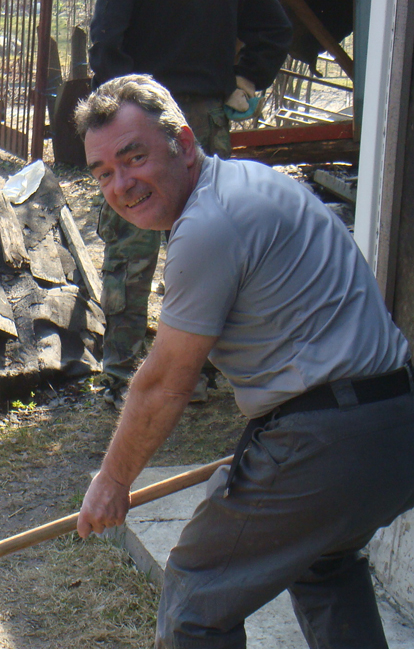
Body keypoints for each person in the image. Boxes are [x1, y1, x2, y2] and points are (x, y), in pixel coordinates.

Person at [73, 75, 414, 649]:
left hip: (330, 442)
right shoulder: (254, 182)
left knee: (196, 600)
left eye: (134, 158)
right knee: (323, 559)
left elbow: (164, 382)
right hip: (403, 427)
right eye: (103, 172)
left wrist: (112, 480)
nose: (121, 184)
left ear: (182, 142)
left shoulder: (207, 227)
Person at [88, 0, 292, 406]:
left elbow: (106, 39)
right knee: (210, 243)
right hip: (200, 113)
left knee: (131, 247)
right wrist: (247, 79)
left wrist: (116, 105)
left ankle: (123, 376)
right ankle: (201, 372)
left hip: (139, 118)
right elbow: (274, 29)